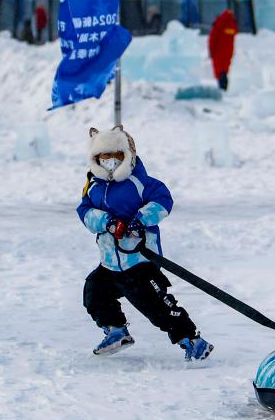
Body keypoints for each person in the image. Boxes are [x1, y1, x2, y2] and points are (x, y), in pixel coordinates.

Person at [77, 125, 213, 361]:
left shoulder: (140, 182)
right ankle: (116, 330)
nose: (110, 161)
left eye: (115, 155)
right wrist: (107, 223)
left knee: (157, 307)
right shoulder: (94, 186)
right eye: (104, 156)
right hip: (109, 263)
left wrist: (139, 220)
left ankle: (193, 341)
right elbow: (85, 211)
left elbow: (163, 200)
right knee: (94, 293)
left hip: (139, 261)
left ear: (127, 155)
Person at [208, 8, 238, 90]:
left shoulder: (219, 22)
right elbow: (234, 33)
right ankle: (224, 86)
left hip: (218, 51)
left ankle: (222, 87)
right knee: (224, 70)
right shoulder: (233, 24)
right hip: (228, 52)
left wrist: (211, 50)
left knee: (219, 70)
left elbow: (212, 37)